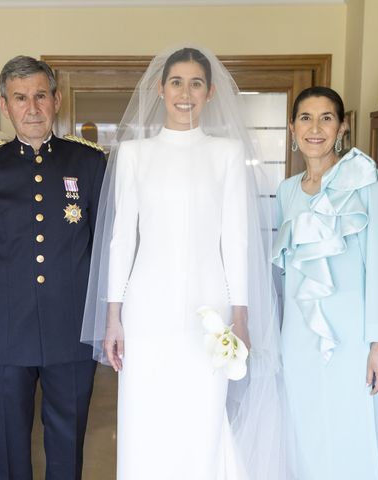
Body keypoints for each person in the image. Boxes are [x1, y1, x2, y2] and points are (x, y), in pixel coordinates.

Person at [81, 46, 293, 479]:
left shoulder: (227, 153)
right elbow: (122, 240)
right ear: (160, 89)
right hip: (147, 308)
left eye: (196, 83)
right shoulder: (134, 154)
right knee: (146, 411)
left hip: (210, 309)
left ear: (210, 92)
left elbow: (235, 239)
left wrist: (241, 313)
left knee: (203, 413)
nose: (185, 92)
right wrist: (113, 316)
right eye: (176, 82)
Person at [0, 55, 106, 479]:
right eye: (20, 98)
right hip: (4, 330)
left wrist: (105, 323)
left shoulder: (91, 164)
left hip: (71, 328)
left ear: (56, 100)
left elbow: (103, 249)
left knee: (67, 442)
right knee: (5, 445)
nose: (32, 107)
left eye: (41, 95)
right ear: (5, 106)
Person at [272, 86, 378, 479]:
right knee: (303, 429)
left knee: (348, 430)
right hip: (297, 337)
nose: (315, 128)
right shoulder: (286, 190)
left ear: (342, 127)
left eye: (326, 118)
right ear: (292, 128)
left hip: (351, 338)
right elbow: (286, 274)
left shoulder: (364, 179)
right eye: (305, 118)